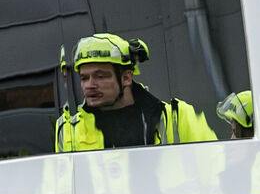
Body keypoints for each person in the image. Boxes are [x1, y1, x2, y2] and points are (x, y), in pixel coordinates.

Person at [54, 32, 216, 152]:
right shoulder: (68, 129)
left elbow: (218, 170)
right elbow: (58, 192)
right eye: (84, 78)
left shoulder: (177, 117)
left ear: (126, 78)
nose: (89, 85)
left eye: (100, 76)